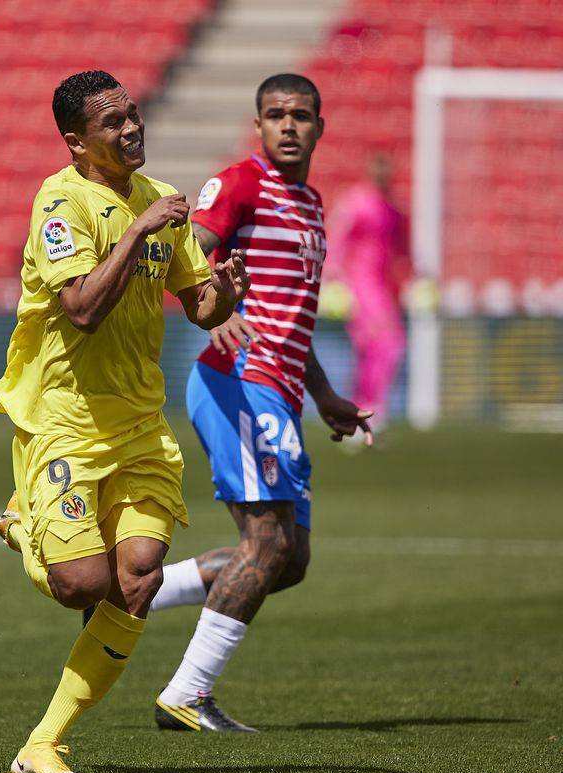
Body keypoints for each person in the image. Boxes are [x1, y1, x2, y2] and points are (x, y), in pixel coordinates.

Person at [0, 70, 249, 773]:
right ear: (77, 142)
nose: (132, 129)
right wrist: (138, 229)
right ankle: (23, 522)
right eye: (113, 124)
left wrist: (222, 296)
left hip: (139, 427)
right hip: (67, 423)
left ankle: (45, 742)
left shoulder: (159, 202)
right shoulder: (61, 201)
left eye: (133, 116)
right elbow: (80, 308)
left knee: (137, 581)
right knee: (78, 584)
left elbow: (198, 307)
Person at [148, 74, 373, 732]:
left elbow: (291, 315)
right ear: (259, 126)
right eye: (275, 115)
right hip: (237, 379)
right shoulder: (240, 183)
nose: (288, 125)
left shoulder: (310, 203)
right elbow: (186, 253)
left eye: (301, 115)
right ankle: (187, 694)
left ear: (320, 127)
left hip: (279, 387)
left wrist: (325, 393)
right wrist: (207, 310)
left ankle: (132, 591)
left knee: (290, 560)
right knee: (266, 543)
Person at [327, 154, 409, 429]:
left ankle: (365, 409)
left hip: (382, 287)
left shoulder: (392, 209)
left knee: (377, 347)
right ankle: (367, 408)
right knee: (387, 342)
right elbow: (337, 238)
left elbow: (402, 248)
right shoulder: (357, 202)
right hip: (360, 286)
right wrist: (334, 277)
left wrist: (415, 277)